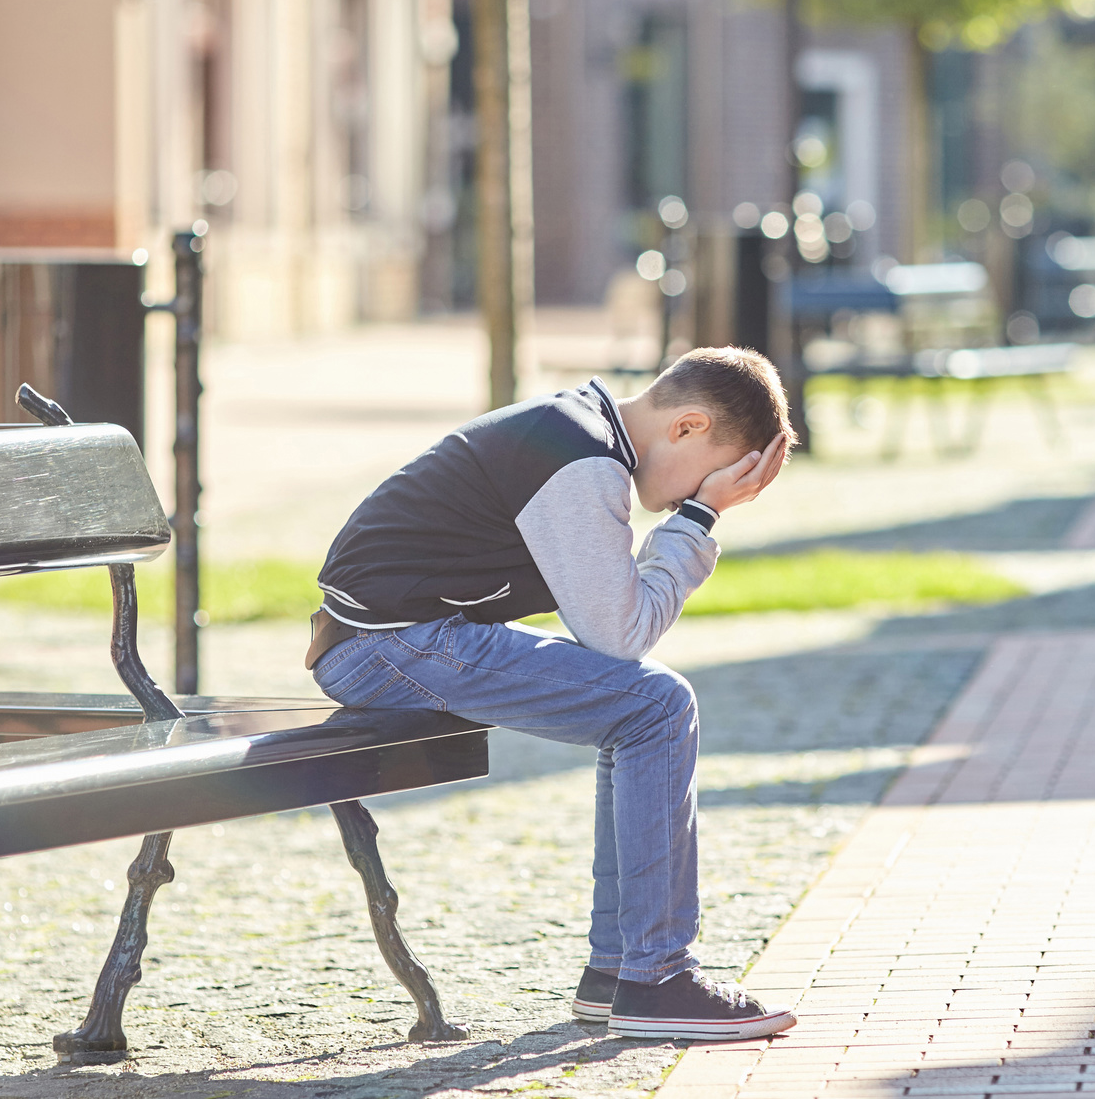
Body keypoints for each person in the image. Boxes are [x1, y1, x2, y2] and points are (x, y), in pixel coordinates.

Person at [304, 347, 798, 1041]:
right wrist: (697, 520)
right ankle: (652, 979)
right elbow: (621, 634)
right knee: (656, 705)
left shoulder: (581, 432)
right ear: (687, 427)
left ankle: (621, 973)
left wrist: (698, 508)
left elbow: (612, 636)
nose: (700, 495)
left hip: (386, 639)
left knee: (641, 708)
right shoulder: (583, 461)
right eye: (713, 478)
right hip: (387, 645)